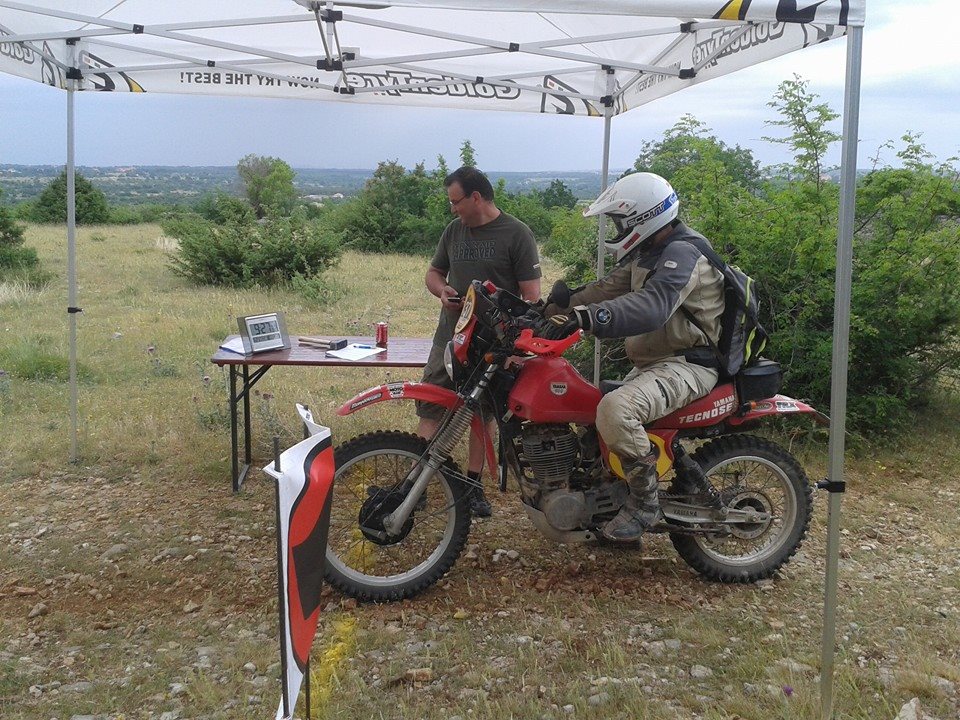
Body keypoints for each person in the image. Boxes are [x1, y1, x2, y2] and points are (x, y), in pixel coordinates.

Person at [539, 172, 724, 542]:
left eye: (620, 221)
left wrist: (587, 319)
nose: (618, 229)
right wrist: (547, 309)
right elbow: (604, 289)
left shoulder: (683, 253)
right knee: (588, 403)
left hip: (689, 365)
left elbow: (653, 306)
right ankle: (605, 500)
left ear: (644, 217)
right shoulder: (652, 252)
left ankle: (644, 504)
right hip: (658, 365)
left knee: (616, 409)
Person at [418, 166, 542, 517]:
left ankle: (472, 487)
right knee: (430, 404)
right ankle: (416, 482)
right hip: (450, 336)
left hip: (492, 343)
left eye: (456, 201)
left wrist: (516, 345)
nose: (452, 208)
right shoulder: (453, 231)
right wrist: (442, 291)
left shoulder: (517, 233)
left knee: (482, 412)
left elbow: (532, 296)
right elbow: (433, 273)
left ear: (476, 197)